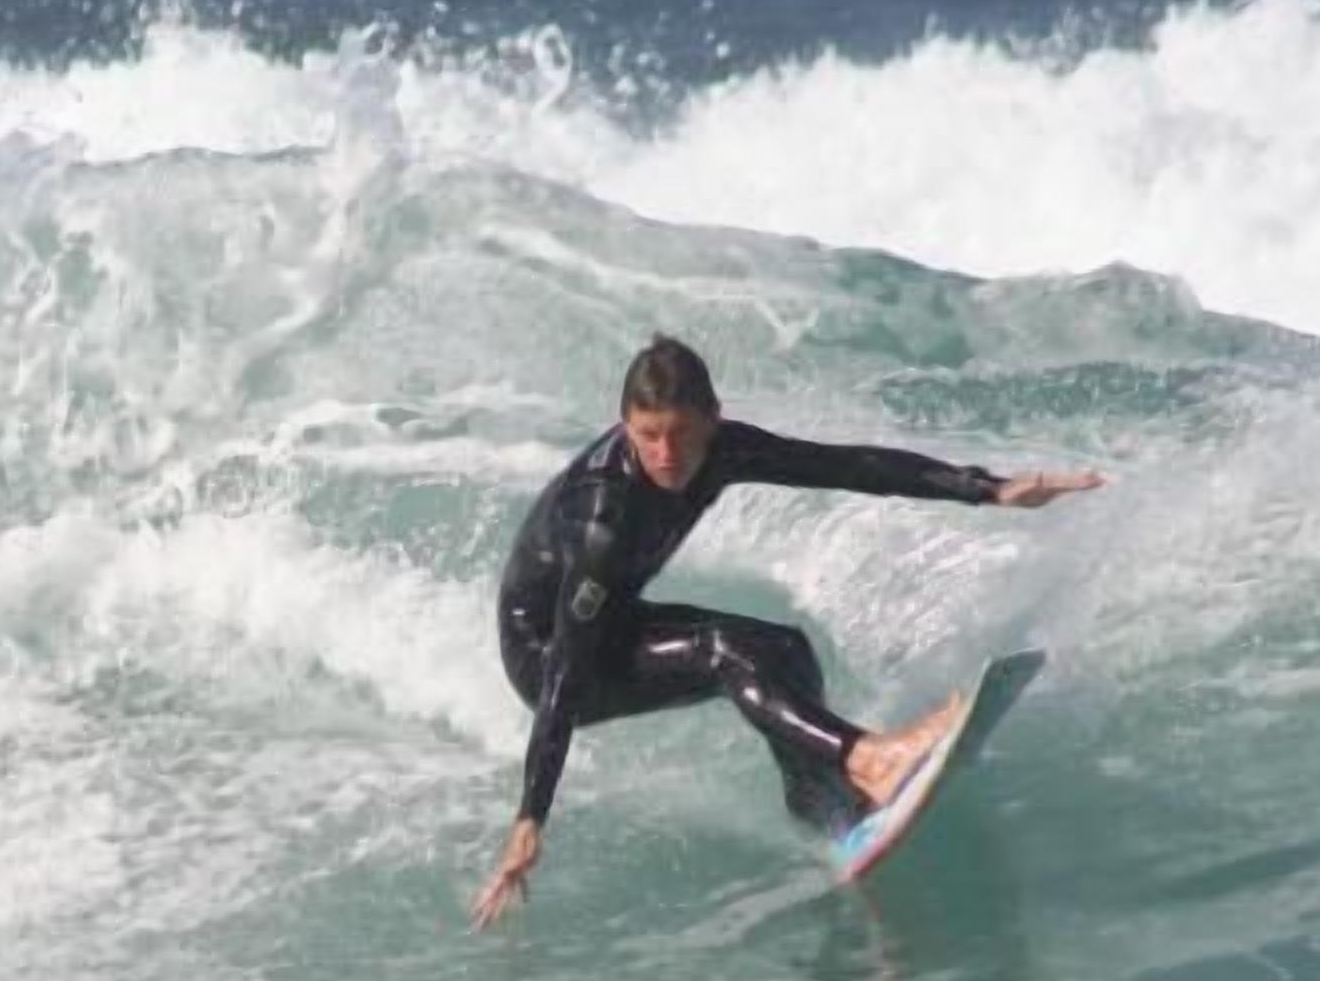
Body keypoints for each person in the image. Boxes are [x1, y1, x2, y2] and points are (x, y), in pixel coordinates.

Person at [471, 335, 1103, 930]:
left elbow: (849, 466)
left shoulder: (724, 450)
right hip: (550, 655)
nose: (666, 455)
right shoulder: (602, 518)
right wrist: (532, 816)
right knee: (728, 652)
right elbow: (563, 675)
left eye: (681, 434)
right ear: (626, 424)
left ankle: (820, 799)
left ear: (713, 419)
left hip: (612, 620)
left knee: (784, 651)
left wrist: (988, 489)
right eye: (649, 436)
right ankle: (866, 757)